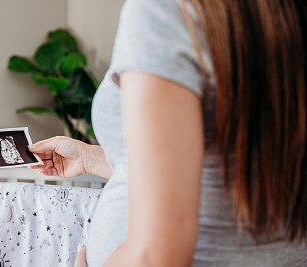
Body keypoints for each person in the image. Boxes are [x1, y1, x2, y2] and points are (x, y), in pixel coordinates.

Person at [28, 0, 307, 265]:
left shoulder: (161, 10)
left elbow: (157, 256)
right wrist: (90, 159)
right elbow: (232, 170)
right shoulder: (282, 11)